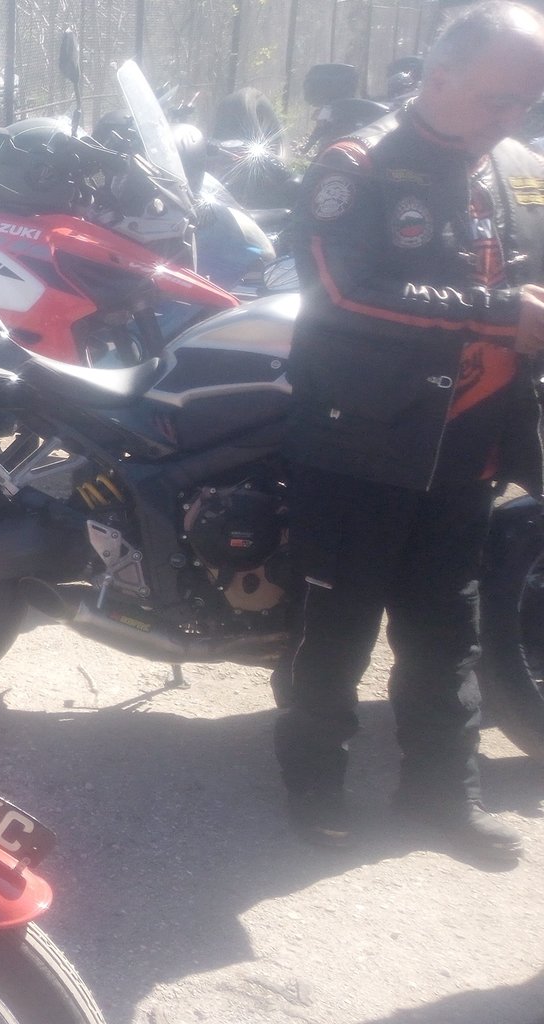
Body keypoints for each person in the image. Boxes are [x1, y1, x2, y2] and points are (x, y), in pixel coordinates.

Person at [277, 0, 544, 861]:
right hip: (363, 443)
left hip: (470, 446)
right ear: (438, 77)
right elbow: (347, 292)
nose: (512, 117)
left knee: (446, 634)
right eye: (499, 99)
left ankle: (441, 797)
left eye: (528, 102)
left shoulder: (517, 167)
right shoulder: (356, 164)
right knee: (336, 630)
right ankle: (315, 784)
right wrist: (499, 312)